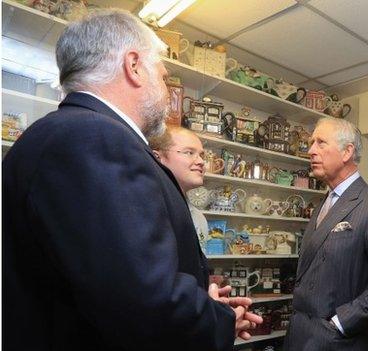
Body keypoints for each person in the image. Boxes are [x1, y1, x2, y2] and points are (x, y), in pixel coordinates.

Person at [2, 9, 260, 351]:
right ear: (134, 66)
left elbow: (112, 276)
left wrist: (203, 303)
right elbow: (144, 300)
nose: (167, 93)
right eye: (164, 77)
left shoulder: (65, 133)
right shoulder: (94, 137)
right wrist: (218, 321)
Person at [283, 117, 368, 351]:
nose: (311, 150)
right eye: (311, 142)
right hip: (299, 337)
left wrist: (341, 323)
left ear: (347, 152)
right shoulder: (323, 205)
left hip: (337, 342)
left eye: (321, 143)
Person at [148, 126, 211, 255]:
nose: (201, 162)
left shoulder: (199, 218)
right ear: (157, 158)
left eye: (201, 155)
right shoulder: (146, 212)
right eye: (189, 152)